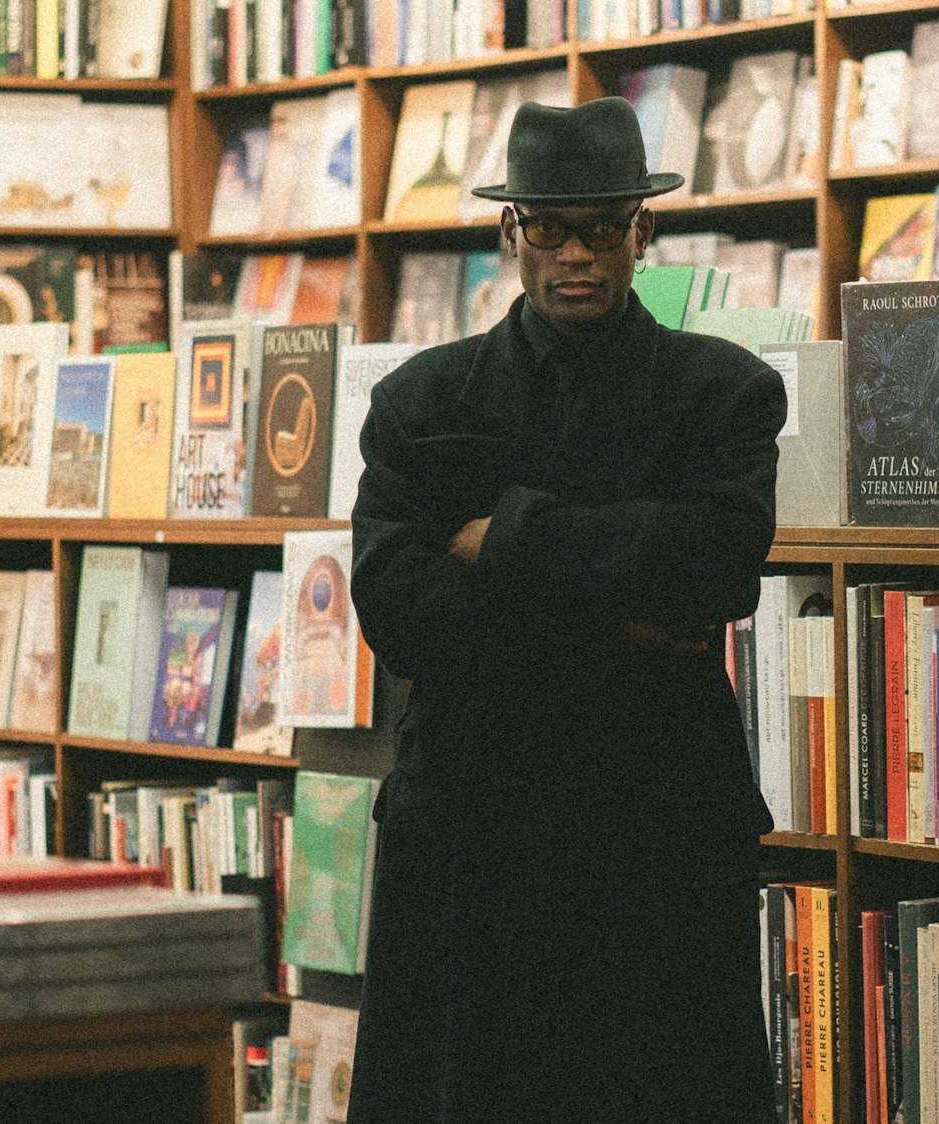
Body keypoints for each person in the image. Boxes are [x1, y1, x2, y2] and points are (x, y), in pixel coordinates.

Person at [346, 96, 787, 1124]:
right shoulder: (421, 402)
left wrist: (503, 536)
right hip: (472, 830)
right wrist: (621, 609)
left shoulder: (724, 392)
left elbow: (714, 569)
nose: (574, 253)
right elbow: (396, 608)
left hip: (656, 830)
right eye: (548, 227)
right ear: (510, 234)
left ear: (646, 230)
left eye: (601, 226)